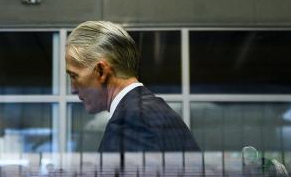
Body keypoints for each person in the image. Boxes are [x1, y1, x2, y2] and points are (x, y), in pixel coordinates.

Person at [65, 20, 200, 153]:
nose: (73, 89)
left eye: (74, 76)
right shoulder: (157, 111)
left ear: (101, 71)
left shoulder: (129, 124)